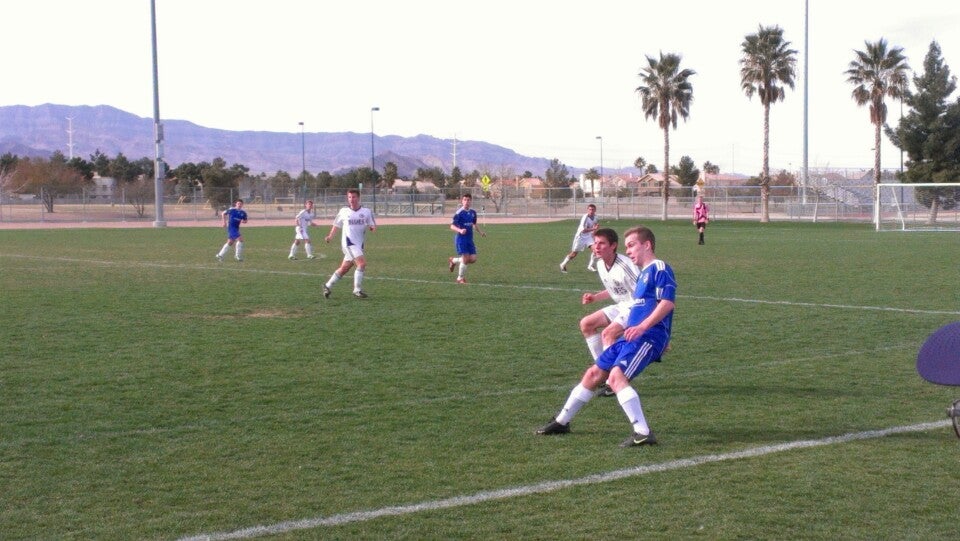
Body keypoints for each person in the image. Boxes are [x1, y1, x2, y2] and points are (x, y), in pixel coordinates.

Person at [537, 225, 677, 447]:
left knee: (616, 378)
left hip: (647, 336)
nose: (628, 251)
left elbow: (667, 303)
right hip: (632, 336)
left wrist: (644, 328)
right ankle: (562, 421)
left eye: (632, 245)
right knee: (593, 374)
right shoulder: (643, 276)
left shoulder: (659, 268)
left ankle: (642, 432)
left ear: (647, 245)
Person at [578, 228, 641, 395]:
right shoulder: (600, 264)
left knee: (608, 334)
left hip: (635, 307)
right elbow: (615, 290)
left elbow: (643, 293)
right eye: (595, 243)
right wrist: (594, 297)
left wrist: (648, 322)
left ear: (613, 246)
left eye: (602, 243)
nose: (596, 247)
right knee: (586, 324)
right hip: (622, 305)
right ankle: (602, 370)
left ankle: (613, 379)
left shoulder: (626, 266)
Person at [322, 188, 376, 299]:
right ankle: (357, 289)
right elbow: (336, 225)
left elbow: (372, 225)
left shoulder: (366, 211)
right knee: (361, 264)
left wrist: (372, 227)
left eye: (354, 197)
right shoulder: (344, 211)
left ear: (359, 197)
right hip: (348, 243)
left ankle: (327, 286)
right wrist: (330, 236)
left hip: (359, 244)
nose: (351, 199)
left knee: (344, 269)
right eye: (349, 197)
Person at [447, 193, 486, 284]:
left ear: (470, 201)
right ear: (462, 201)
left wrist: (480, 232)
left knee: (472, 259)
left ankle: (453, 260)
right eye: (465, 200)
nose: (466, 202)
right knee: (465, 258)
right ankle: (460, 278)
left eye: (468, 200)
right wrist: (460, 230)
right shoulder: (459, 213)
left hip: (469, 239)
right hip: (461, 239)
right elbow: (452, 226)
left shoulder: (473, 212)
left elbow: (474, 224)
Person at [560, 204, 599, 273]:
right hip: (580, 237)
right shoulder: (585, 217)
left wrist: (595, 234)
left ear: (595, 210)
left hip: (588, 236)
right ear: (587, 210)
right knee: (574, 254)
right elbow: (583, 230)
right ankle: (563, 264)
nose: (591, 211)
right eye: (590, 209)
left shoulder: (596, 217)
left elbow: (594, 227)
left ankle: (590, 266)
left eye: (593, 209)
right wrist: (594, 228)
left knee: (596, 250)